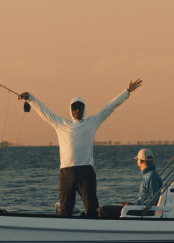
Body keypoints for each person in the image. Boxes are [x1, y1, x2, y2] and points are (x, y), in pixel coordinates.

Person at [18, 80, 142, 217]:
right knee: (65, 213)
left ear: (84, 110)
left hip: (86, 173)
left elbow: (110, 107)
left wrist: (127, 92)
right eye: (75, 108)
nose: (78, 110)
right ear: (71, 110)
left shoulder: (92, 122)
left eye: (80, 108)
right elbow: (44, 112)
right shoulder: (61, 124)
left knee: (93, 211)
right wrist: (30, 98)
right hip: (66, 174)